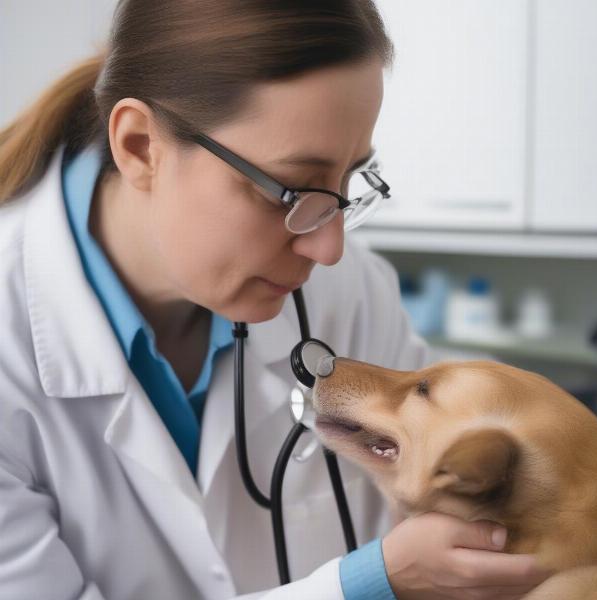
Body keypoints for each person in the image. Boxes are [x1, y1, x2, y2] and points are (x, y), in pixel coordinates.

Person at [0, 1, 551, 598]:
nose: (330, 248)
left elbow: (449, 508)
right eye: (293, 190)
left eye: (347, 184)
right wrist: (368, 583)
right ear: (139, 147)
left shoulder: (348, 292)